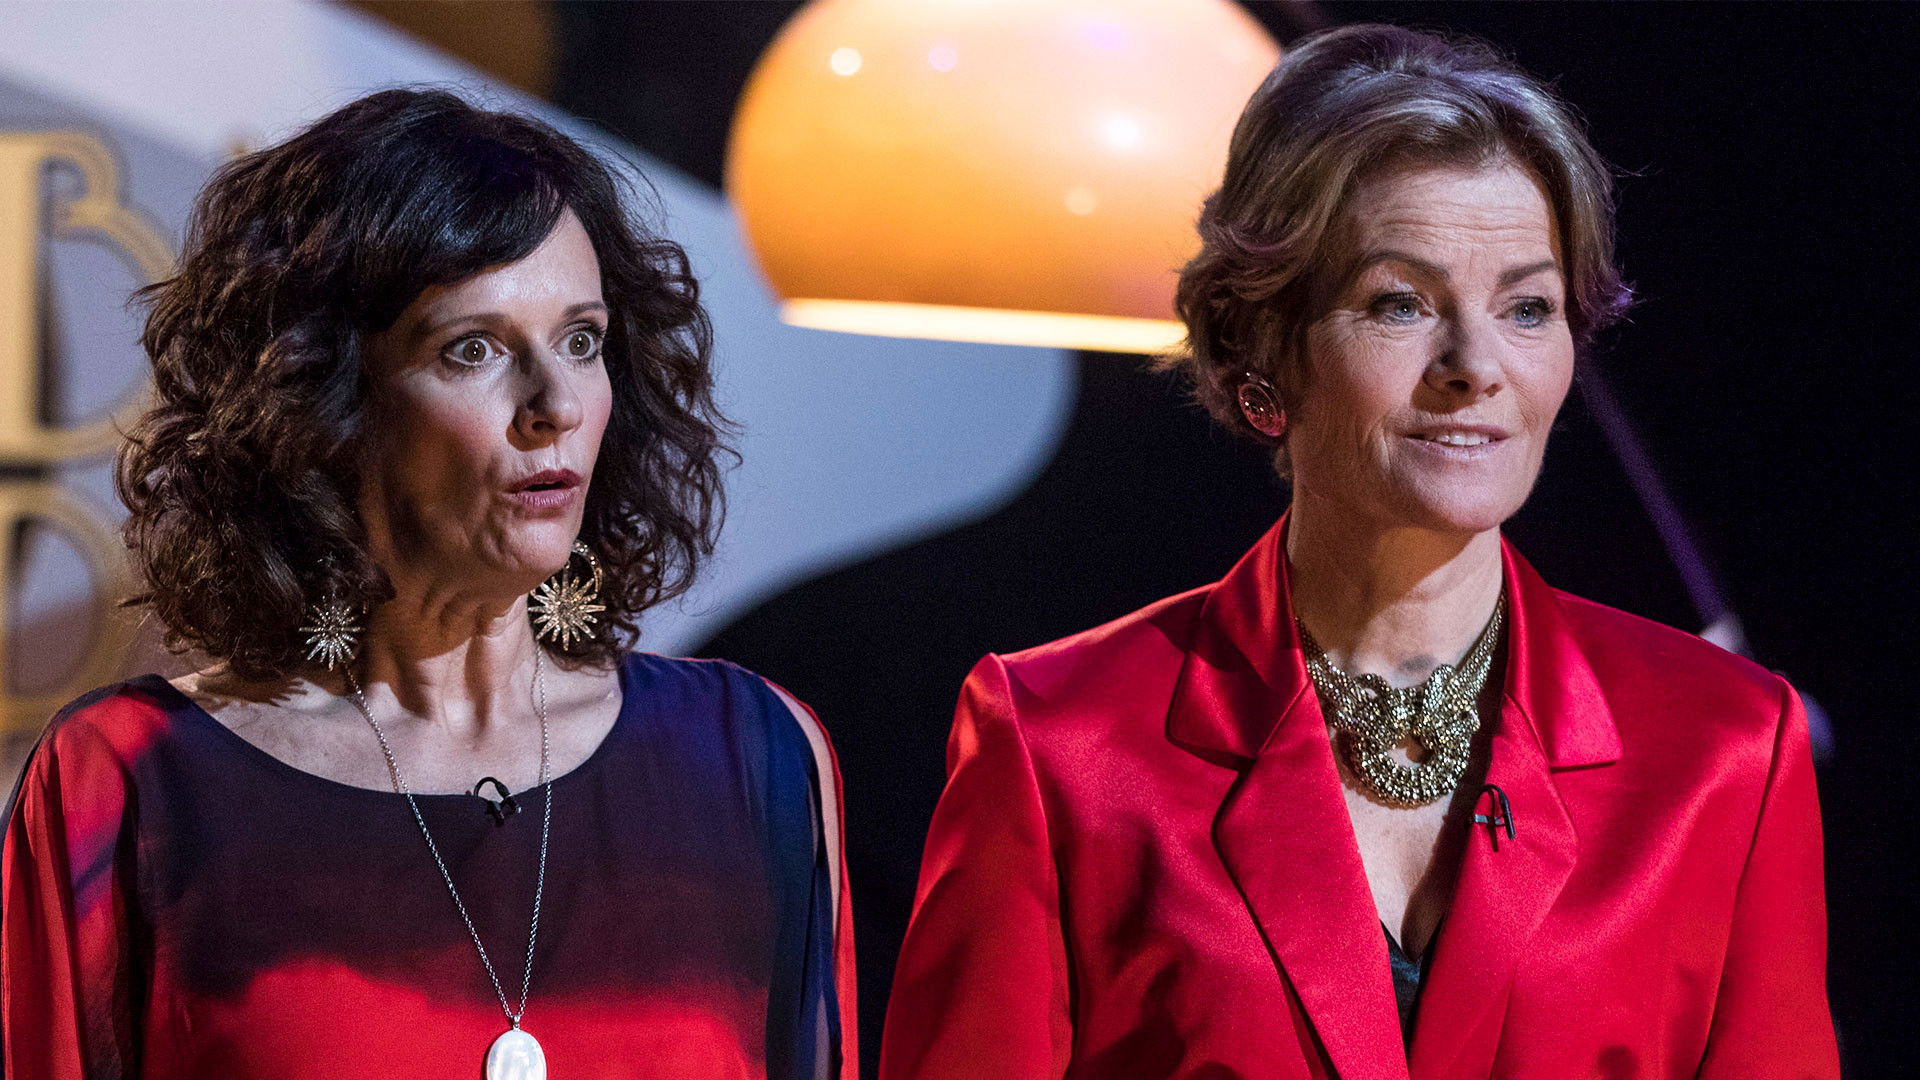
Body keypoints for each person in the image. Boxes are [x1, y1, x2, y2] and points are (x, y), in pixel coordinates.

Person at [881, 24, 1835, 1080]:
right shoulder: (1056, 742)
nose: (1475, 365)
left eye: (1527, 308)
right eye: (1400, 305)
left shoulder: (1727, 748)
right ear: (1263, 353)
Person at [1, 89, 853, 1080]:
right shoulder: (135, 782)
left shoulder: (754, 756)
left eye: (581, 340)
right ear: (325, 403)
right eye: (473, 349)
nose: (555, 403)